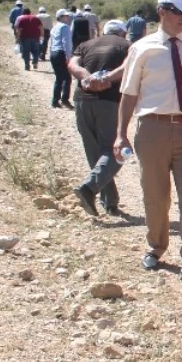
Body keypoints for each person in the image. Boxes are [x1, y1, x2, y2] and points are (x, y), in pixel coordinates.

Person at [114, 0, 182, 285]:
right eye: (176, 12)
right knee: (155, 195)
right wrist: (121, 134)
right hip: (153, 128)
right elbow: (129, 94)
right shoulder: (142, 49)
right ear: (161, 12)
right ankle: (156, 247)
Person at [68, 20, 130, 217]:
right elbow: (130, 69)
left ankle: (109, 202)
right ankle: (88, 188)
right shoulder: (127, 46)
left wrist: (87, 78)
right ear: (123, 33)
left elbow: (72, 64)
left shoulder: (86, 44)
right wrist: (104, 80)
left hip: (81, 100)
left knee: (95, 153)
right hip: (109, 101)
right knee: (117, 151)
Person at [48, 9, 74, 108]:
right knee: (67, 78)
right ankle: (64, 100)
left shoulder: (54, 28)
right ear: (60, 17)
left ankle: (55, 101)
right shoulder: (65, 27)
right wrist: (69, 56)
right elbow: (66, 42)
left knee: (59, 78)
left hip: (53, 53)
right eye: (65, 16)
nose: (67, 17)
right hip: (60, 53)